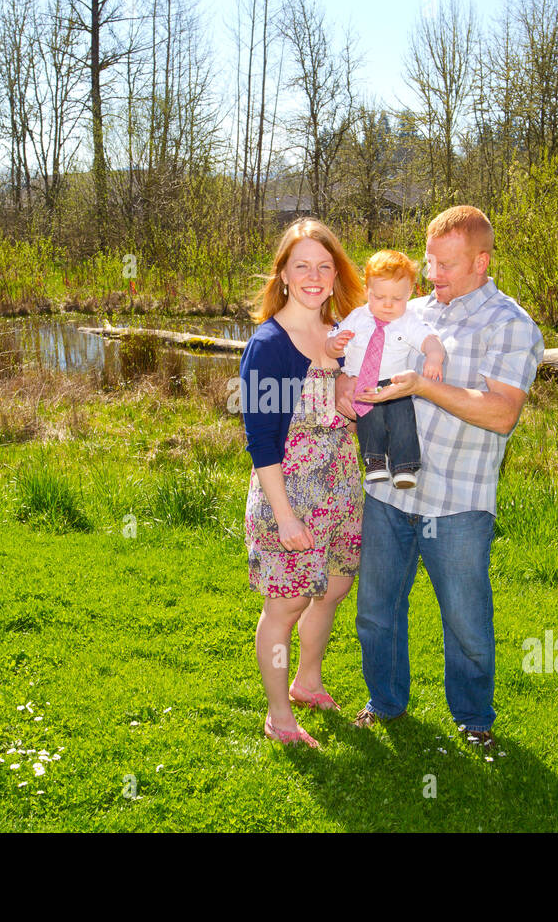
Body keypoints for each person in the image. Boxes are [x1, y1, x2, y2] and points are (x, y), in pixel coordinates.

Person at [334, 206, 545, 748]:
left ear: (482, 260)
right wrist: (341, 378)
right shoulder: (410, 310)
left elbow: (501, 413)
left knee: (466, 624)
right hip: (387, 491)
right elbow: (353, 355)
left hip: (458, 500)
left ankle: (475, 720)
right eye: (429, 261)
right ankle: (385, 704)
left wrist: (423, 387)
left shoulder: (511, 324)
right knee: (376, 612)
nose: (434, 275)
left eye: (447, 265)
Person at [239, 218, 366, 749]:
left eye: (323, 266)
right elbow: (262, 441)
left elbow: (356, 407)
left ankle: (307, 682)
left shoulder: (343, 335)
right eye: (301, 266)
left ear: (335, 275)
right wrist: (285, 516)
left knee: (335, 587)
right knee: (285, 605)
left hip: (341, 489)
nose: (313, 276)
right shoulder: (270, 345)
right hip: (290, 496)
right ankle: (278, 717)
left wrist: (351, 393)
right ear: (284, 276)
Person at [324, 250, 445, 489]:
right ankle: (374, 461)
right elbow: (332, 342)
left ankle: (404, 465)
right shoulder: (358, 317)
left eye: (397, 299)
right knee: (369, 421)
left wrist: (434, 355)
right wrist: (334, 345)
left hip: (394, 382)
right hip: (363, 381)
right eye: (379, 297)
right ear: (367, 289)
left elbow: (429, 338)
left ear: (409, 293)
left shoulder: (408, 320)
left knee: (402, 420)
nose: (388, 305)